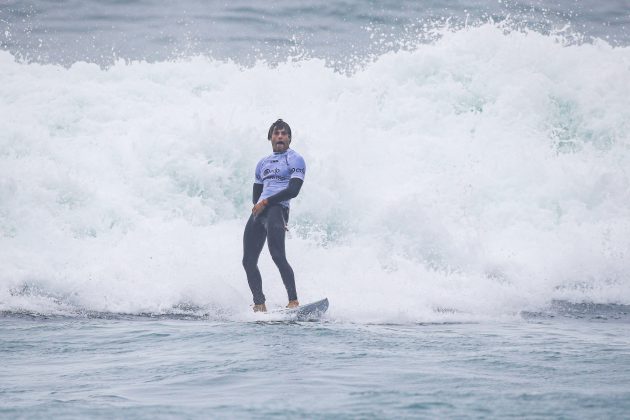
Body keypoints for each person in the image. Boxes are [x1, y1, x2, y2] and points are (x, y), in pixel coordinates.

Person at [242, 119, 306, 312]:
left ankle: (293, 301)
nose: (280, 137)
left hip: (277, 208)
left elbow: (293, 190)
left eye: (284, 134)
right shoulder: (262, 163)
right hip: (261, 211)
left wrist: (269, 206)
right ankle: (259, 304)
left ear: (289, 138)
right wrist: (259, 207)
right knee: (248, 261)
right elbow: (257, 193)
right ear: (270, 137)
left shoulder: (295, 159)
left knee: (277, 255)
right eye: (277, 133)